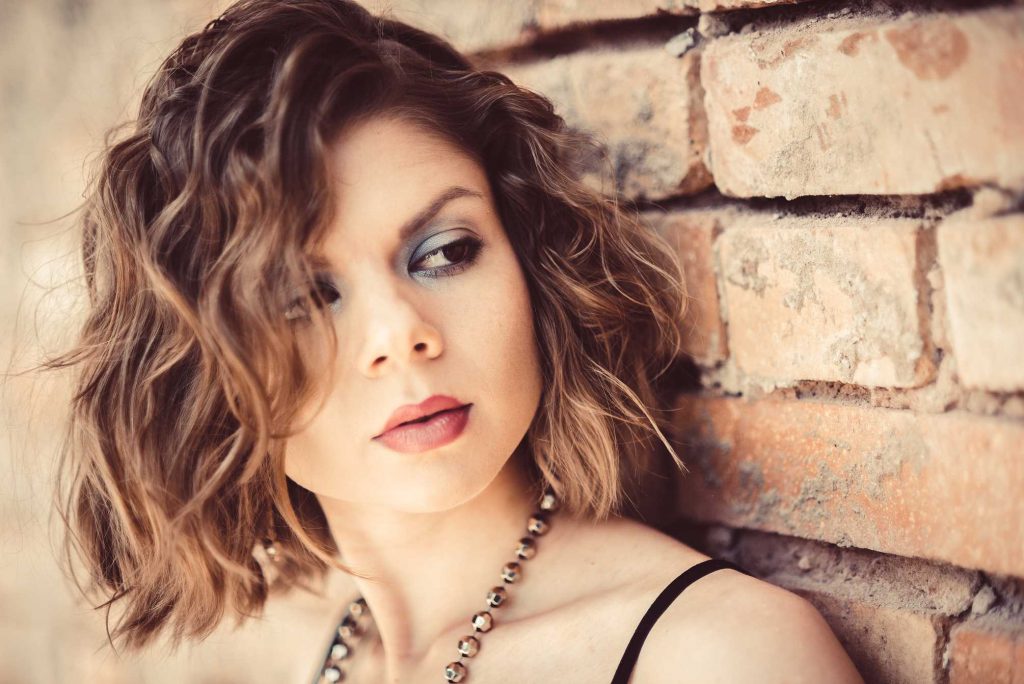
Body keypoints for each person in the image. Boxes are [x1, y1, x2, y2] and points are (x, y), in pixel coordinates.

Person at [50, 0, 864, 682]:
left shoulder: (718, 656)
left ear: (529, 266)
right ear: (205, 371)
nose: (400, 335)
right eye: (303, 297)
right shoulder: (338, 659)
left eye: (443, 254)